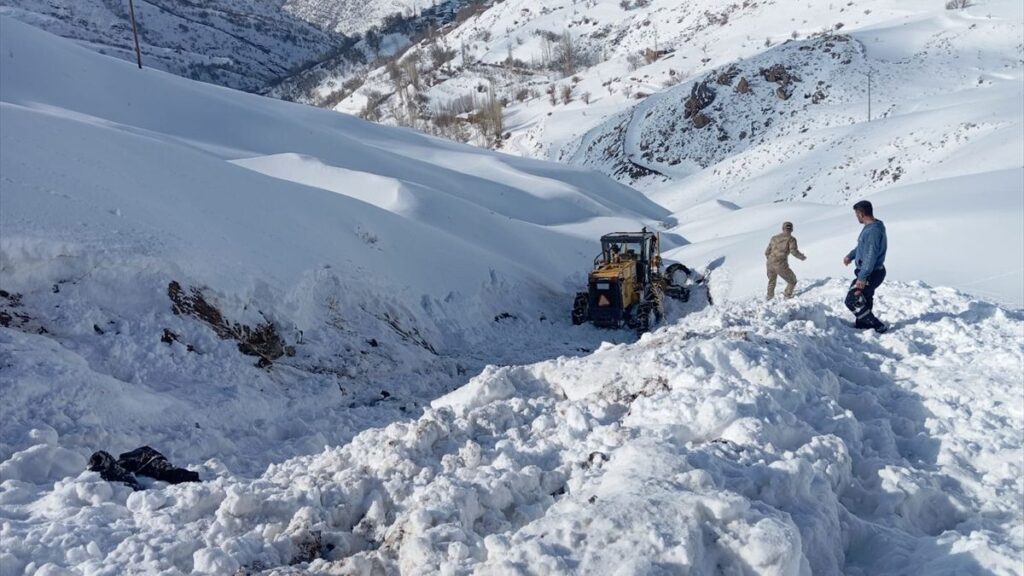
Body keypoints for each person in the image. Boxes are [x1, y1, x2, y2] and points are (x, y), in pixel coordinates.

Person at [843, 200, 888, 332]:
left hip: (871, 272)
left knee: (852, 299)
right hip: (870, 271)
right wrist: (851, 256)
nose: (856, 217)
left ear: (861, 213)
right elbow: (863, 246)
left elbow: (870, 255)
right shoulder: (872, 226)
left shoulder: (873, 231)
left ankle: (877, 325)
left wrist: (862, 277)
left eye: (856, 214)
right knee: (865, 298)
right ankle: (864, 325)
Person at [764, 221, 806, 299]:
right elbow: (793, 251)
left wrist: (771, 259)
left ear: (782, 228)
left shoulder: (774, 238)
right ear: (792, 229)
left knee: (772, 281)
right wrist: (802, 257)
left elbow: (767, 252)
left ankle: (769, 297)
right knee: (792, 280)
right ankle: (787, 295)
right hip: (780, 264)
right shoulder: (791, 239)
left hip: (769, 263)